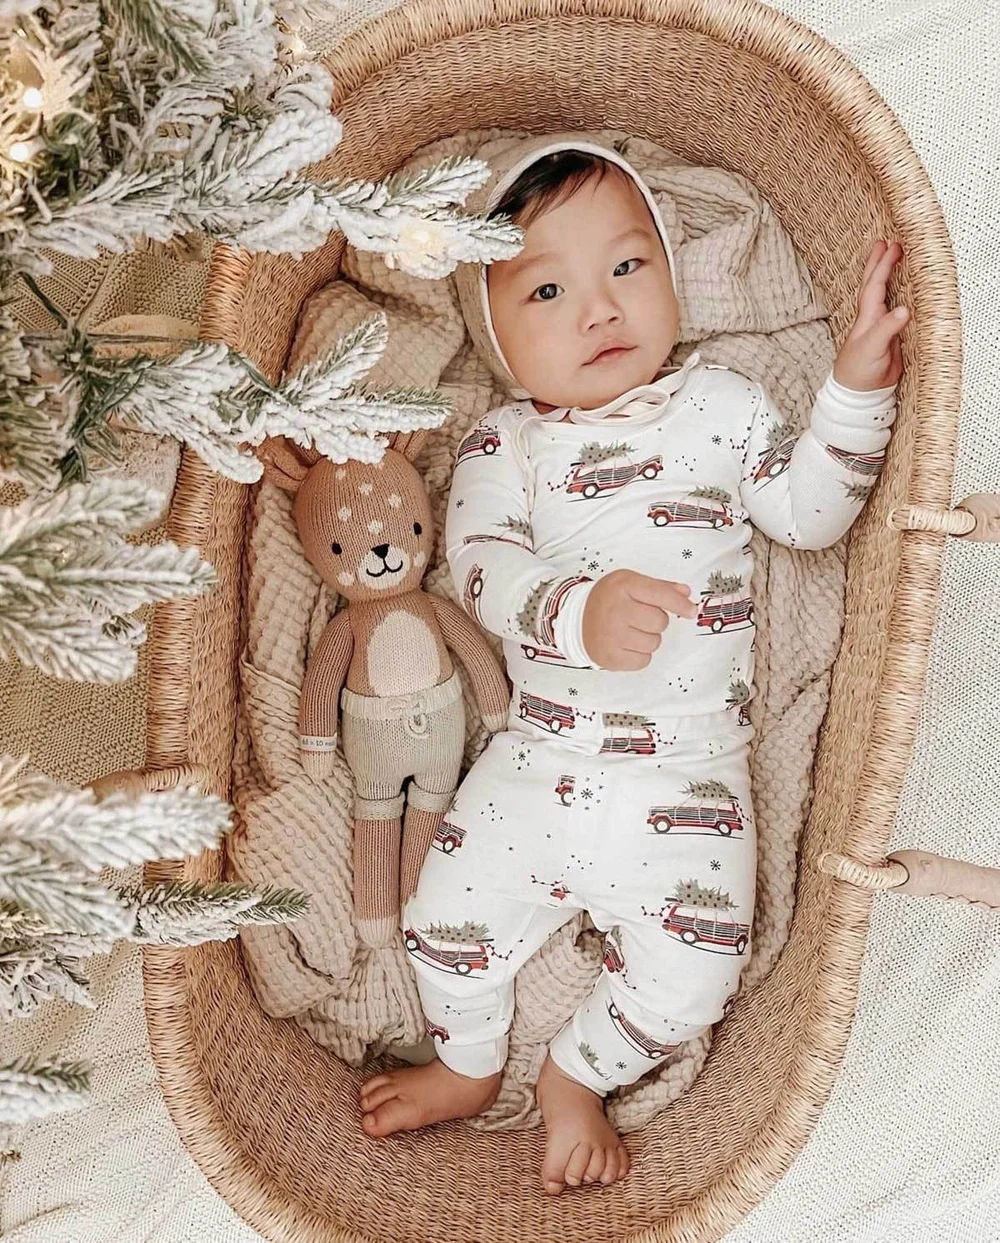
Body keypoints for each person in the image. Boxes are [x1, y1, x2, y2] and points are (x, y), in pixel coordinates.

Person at [359, 135, 908, 1196]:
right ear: (496, 335)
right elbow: (479, 571)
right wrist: (577, 612)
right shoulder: (504, 446)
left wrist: (853, 394)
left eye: (626, 265)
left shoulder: (723, 406)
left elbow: (809, 515)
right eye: (548, 290)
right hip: (540, 760)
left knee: (701, 972)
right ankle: (469, 1062)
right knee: (441, 923)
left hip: (689, 779)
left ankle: (578, 1071)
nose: (599, 309)